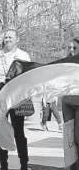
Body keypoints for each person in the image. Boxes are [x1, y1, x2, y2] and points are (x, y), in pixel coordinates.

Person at [0, 28, 31, 170]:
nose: (7, 40)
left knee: (19, 131)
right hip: (1, 92)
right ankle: (3, 164)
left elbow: (28, 76)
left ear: (17, 39)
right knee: (1, 130)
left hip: (17, 92)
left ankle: (24, 163)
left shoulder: (23, 55)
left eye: (10, 38)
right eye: (6, 37)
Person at [61, 37, 79, 170]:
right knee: (69, 140)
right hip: (67, 103)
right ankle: (72, 167)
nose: (71, 50)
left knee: (78, 137)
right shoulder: (64, 64)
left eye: (74, 48)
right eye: (69, 48)